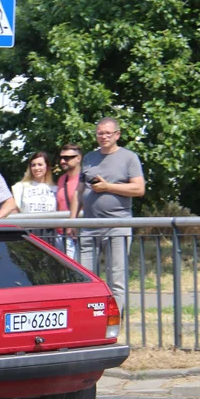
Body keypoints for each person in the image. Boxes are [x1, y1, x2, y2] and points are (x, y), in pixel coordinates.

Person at [69, 117, 146, 315]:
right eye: (99, 133)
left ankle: (114, 320)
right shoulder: (89, 158)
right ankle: (88, 319)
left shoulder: (129, 158)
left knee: (116, 277)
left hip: (117, 226)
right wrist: (71, 220)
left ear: (117, 135)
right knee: (85, 276)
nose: (103, 137)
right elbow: (79, 191)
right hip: (88, 226)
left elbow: (139, 189)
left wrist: (108, 187)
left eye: (107, 133)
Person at [55, 143, 83, 258]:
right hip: (61, 235)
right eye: (61, 158)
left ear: (78, 158)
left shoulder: (86, 179)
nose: (62, 161)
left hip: (79, 233)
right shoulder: (61, 179)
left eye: (67, 158)